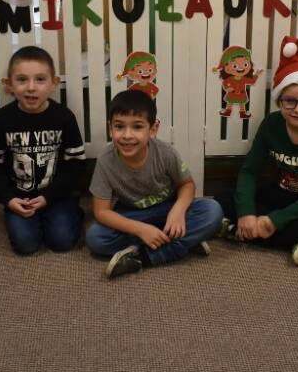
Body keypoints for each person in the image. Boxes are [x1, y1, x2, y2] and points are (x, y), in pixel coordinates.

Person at [215, 36, 298, 267]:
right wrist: (246, 213)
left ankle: (240, 232)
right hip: (283, 193)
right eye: (290, 101)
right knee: (223, 199)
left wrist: (274, 220)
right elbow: (249, 172)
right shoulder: (271, 125)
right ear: (279, 102)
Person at [85, 89, 222, 279]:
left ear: (153, 129)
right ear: (110, 129)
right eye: (119, 126)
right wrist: (140, 229)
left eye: (137, 127)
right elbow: (101, 212)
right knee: (95, 237)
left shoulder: (166, 153)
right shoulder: (105, 160)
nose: (127, 135)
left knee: (212, 210)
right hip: (132, 215)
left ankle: (143, 257)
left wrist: (178, 211)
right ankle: (182, 241)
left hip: (168, 210)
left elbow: (187, 185)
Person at [0, 46, 85, 255]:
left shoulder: (64, 117)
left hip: (57, 195)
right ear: (9, 85)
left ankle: (70, 213)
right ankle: (22, 216)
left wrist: (50, 197)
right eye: (22, 80)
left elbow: (76, 165)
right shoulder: (2, 119)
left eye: (40, 79)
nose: (31, 87)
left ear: (54, 83)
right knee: (26, 245)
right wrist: (8, 199)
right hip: (20, 197)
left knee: (62, 242)